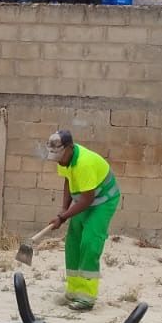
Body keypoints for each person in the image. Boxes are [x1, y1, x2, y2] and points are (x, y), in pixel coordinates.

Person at [45, 129, 121, 311]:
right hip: (84, 199)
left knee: (89, 242)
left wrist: (62, 217)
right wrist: (63, 210)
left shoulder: (84, 163)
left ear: (69, 148)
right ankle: (73, 291)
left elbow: (87, 200)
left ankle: (86, 297)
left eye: (60, 155)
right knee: (73, 241)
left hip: (102, 201)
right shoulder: (65, 158)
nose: (59, 160)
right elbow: (68, 181)